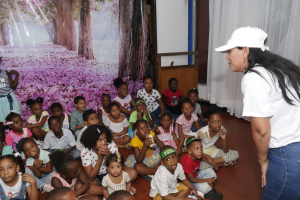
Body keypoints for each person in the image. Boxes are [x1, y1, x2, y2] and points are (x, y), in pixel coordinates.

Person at [215, 26, 300, 199]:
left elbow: (261, 131)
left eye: (230, 51)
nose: (227, 57)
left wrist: (263, 161)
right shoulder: (280, 69)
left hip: (287, 153)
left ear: (245, 50)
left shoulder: (254, 77)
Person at [0, 57, 21, 140]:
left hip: (9, 100)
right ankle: (3, 142)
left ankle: (13, 141)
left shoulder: (4, 72)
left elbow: (14, 86)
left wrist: (17, 75)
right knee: (1, 124)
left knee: (12, 122)